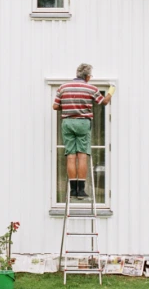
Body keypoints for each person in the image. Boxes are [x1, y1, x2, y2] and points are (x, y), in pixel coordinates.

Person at [53, 63, 114, 200]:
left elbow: (55, 106)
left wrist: (70, 105)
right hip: (83, 122)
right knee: (81, 156)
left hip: (67, 122)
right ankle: (80, 190)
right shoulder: (91, 88)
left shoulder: (63, 87)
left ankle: (72, 190)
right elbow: (103, 102)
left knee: (70, 156)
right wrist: (111, 90)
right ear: (87, 76)